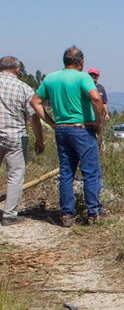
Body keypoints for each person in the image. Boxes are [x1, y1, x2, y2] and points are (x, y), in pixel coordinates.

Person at [30, 46, 106, 227]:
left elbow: (35, 101)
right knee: (91, 172)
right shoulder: (83, 77)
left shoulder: (50, 78)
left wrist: (51, 122)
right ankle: (94, 213)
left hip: (62, 130)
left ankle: (66, 214)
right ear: (81, 61)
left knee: (66, 173)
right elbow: (96, 98)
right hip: (82, 129)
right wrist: (98, 122)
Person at [0, 56, 45, 226]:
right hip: (15, 137)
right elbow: (33, 117)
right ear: (17, 70)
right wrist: (39, 140)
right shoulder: (24, 88)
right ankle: (9, 215)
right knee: (15, 175)